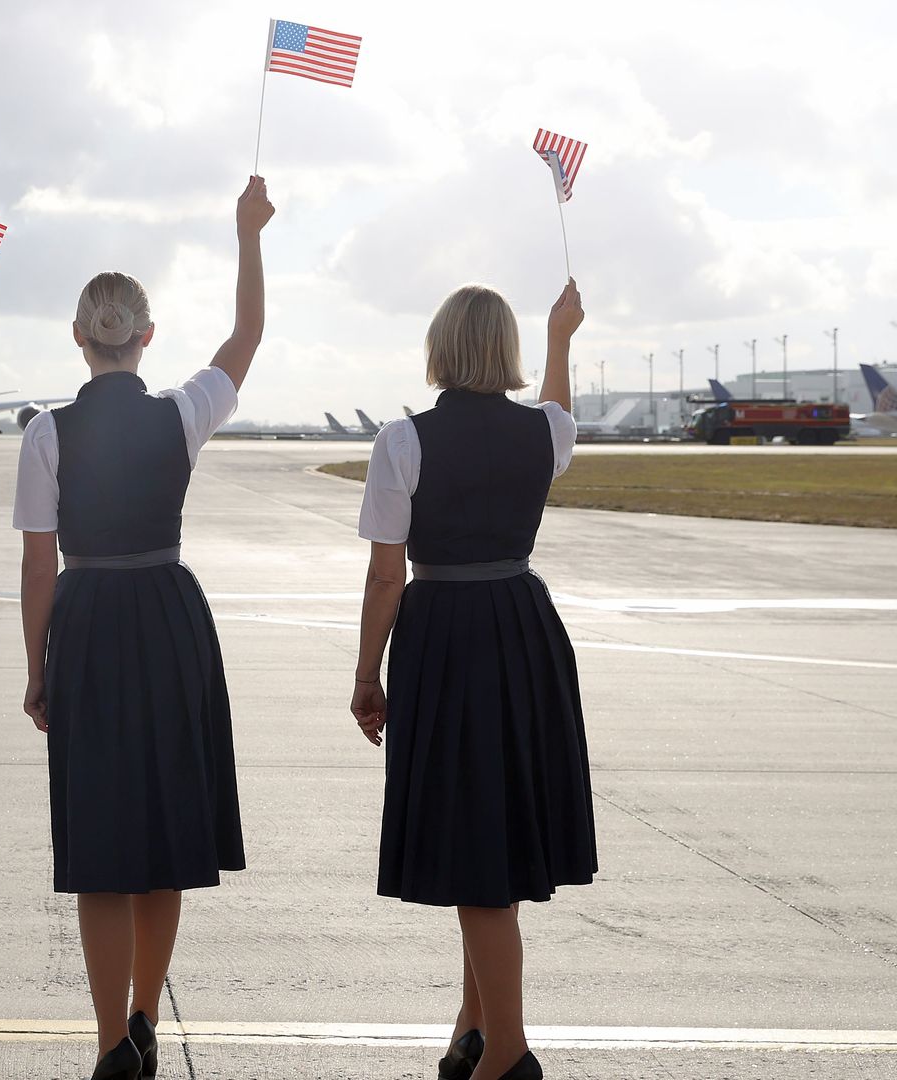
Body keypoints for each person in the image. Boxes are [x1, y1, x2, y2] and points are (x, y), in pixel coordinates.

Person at [14, 176, 273, 1080]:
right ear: (146, 336)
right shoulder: (181, 413)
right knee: (163, 836)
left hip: (87, 620)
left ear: (80, 337)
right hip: (168, 619)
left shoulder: (47, 432)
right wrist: (247, 235)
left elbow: (38, 565)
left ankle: (110, 1042)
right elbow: (245, 338)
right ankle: (145, 1014)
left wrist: (38, 668)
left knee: (100, 845)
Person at [350, 280, 598, 1080]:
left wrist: (366, 672)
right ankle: (475, 1024)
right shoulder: (545, 432)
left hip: (446, 635)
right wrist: (560, 340)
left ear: (440, 348)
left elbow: (385, 576)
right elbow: (556, 414)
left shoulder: (403, 441)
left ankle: (509, 1054)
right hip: (523, 630)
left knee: (474, 847)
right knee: (491, 837)